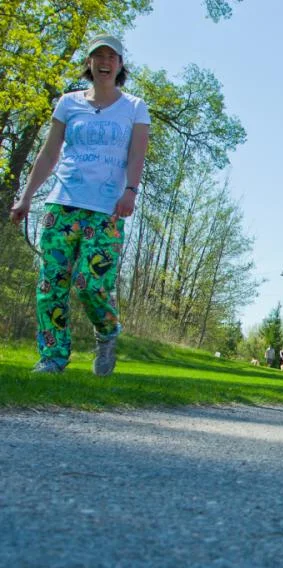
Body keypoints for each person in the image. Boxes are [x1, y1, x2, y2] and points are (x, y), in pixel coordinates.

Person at [8, 35, 150, 375]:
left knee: (90, 284)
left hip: (106, 209)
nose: (104, 62)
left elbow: (137, 153)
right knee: (51, 284)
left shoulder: (133, 107)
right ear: (89, 63)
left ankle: (107, 330)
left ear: (120, 65)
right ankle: (53, 358)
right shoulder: (68, 103)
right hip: (62, 204)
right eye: (97, 56)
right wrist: (26, 196)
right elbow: (48, 153)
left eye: (111, 57)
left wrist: (131, 189)